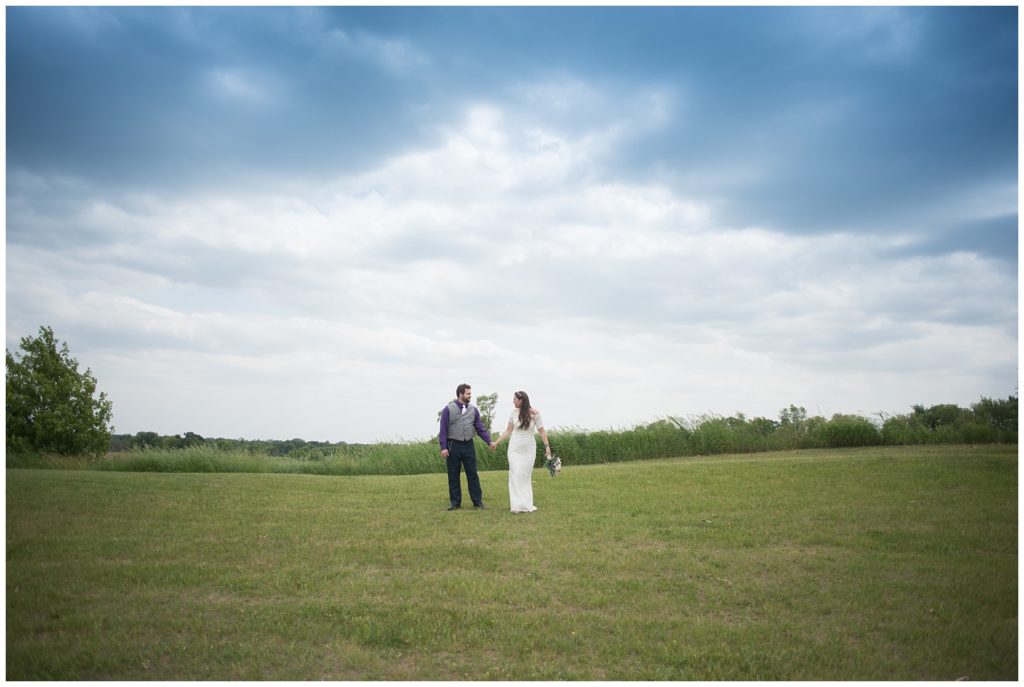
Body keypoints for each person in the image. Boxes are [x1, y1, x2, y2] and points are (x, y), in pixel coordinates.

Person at [491, 390, 551, 513]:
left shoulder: (535, 414)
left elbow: (542, 431)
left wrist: (547, 448)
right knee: (515, 473)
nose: (513, 401)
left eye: (515, 399)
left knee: (525, 475)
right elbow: (508, 431)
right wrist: (496, 442)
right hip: (515, 448)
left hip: (529, 448)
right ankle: (516, 505)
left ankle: (525, 504)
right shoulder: (513, 413)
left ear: (521, 400)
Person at [439, 383, 494, 511]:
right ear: (461, 394)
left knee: (473, 474)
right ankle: (455, 503)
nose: (470, 395)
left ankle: (478, 502)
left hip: (469, 445)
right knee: (453, 475)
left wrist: (489, 441)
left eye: (470, 393)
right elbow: (443, 429)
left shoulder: (473, 410)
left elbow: (480, 428)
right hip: (453, 445)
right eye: (468, 393)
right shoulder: (448, 409)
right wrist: (443, 447)